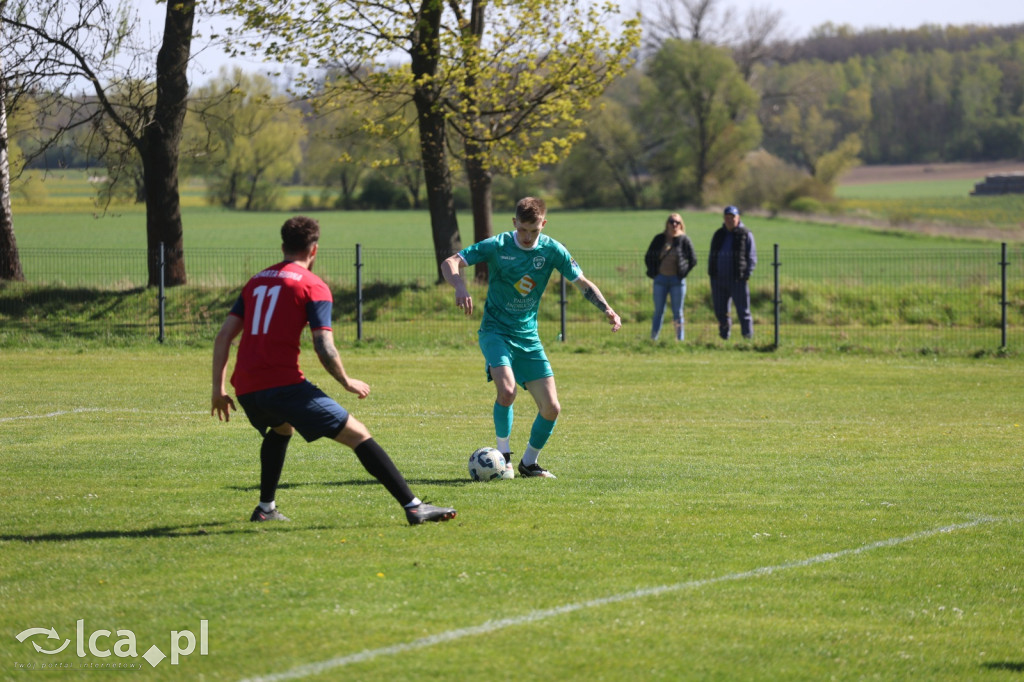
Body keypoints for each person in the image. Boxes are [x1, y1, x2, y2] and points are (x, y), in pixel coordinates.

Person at [211, 216, 456, 526]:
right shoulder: (312, 285)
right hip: (283, 386)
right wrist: (346, 381)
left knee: (282, 428)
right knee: (359, 434)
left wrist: (218, 389)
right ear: (314, 249)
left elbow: (224, 336)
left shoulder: (256, 281)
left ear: (283, 246)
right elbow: (324, 347)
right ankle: (414, 506)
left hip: (247, 388)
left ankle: (265, 509)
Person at [441, 197, 622, 479]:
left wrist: (607, 308)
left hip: (528, 337)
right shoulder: (498, 245)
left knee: (551, 408)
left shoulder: (552, 250)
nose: (527, 237)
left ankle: (529, 464)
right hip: (495, 331)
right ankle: (504, 458)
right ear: (515, 223)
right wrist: (460, 285)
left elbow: (582, 282)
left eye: (534, 230)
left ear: (543, 224)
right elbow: (451, 262)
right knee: (507, 391)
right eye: (522, 229)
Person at [644, 213, 697, 341]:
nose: (674, 224)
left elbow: (693, 260)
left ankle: (679, 339)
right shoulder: (659, 239)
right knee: (658, 311)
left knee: (678, 312)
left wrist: (683, 272)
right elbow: (648, 256)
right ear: (667, 224)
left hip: (677, 281)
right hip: (660, 280)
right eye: (672, 221)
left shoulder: (684, 240)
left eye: (677, 222)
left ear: (681, 225)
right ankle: (653, 338)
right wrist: (654, 271)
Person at [708, 205, 757, 340]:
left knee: (743, 311)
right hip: (718, 280)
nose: (730, 220)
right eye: (727, 217)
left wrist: (746, 275)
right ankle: (724, 336)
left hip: (738, 280)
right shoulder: (719, 234)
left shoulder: (745, 234)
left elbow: (752, 257)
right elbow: (712, 255)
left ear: (738, 218)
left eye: (732, 217)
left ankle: (747, 337)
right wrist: (712, 274)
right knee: (720, 311)